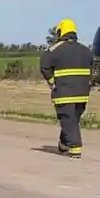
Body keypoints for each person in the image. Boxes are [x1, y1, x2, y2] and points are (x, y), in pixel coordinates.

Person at [39, 18, 94, 158]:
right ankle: (64, 145)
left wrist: (53, 82)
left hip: (64, 92)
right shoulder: (86, 50)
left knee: (67, 119)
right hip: (82, 93)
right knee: (72, 119)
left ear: (60, 32)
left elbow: (44, 65)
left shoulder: (54, 50)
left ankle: (75, 148)